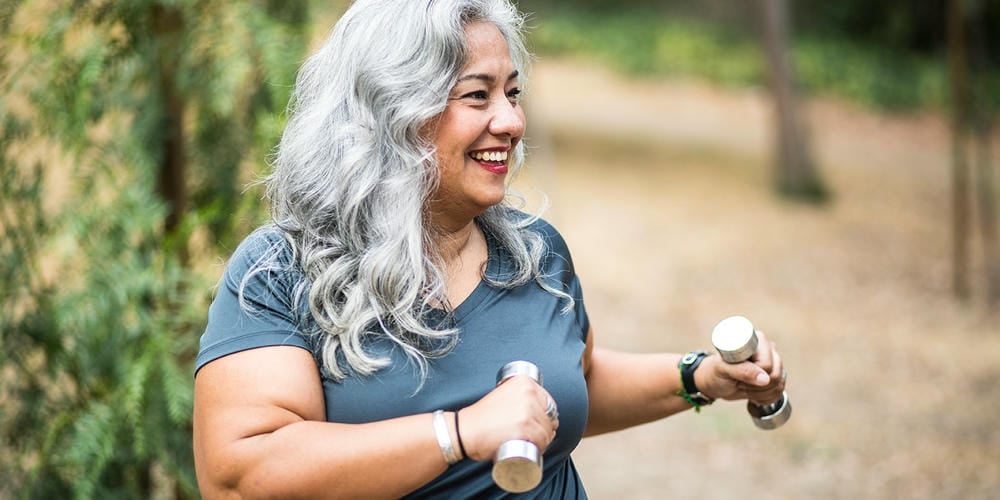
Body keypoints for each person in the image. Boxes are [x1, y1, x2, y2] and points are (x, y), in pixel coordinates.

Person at [192, 0, 788, 498]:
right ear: (390, 114)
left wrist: (700, 378)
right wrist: (456, 433)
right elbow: (243, 475)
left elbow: (572, 383)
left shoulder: (535, 254)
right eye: (477, 96)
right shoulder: (279, 272)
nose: (511, 120)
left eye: (512, 92)